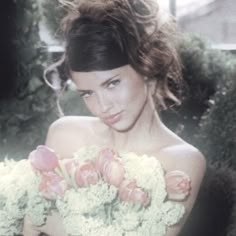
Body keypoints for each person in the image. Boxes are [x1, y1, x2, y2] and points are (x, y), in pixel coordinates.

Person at [23, 0, 206, 235]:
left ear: (147, 68)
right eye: (88, 93)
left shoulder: (182, 161)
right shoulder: (65, 135)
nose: (102, 107)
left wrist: (52, 222)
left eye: (112, 83)